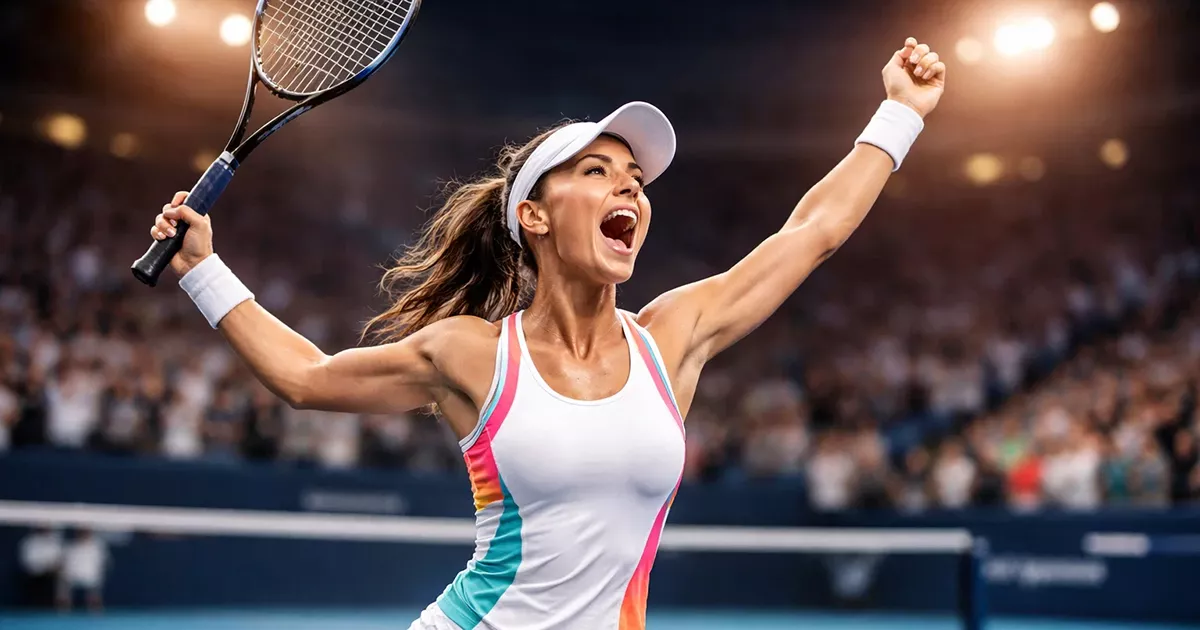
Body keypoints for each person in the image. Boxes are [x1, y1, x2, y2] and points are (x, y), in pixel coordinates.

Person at [147, 38, 945, 630]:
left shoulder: (672, 337)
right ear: (534, 215)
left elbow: (811, 233)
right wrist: (201, 269)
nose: (628, 188)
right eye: (596, 172)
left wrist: (900, 112)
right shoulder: (471, 353)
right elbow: (306, 379)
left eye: (635, 179)